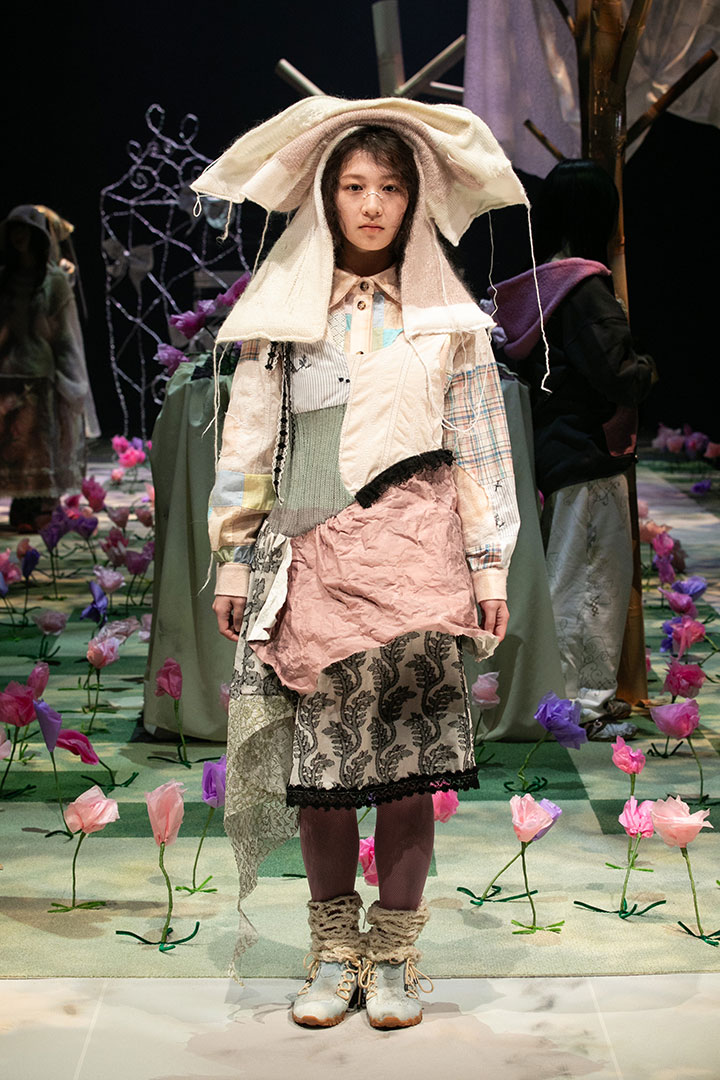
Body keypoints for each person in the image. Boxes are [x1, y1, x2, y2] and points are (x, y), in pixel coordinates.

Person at [193, 98, 526, 1028]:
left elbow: (479, 446)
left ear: (414, 200)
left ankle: (394, 957)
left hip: (419, 570)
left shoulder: (448, 319)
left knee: (407, 772)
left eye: (389, 188)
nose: (371, 204)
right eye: (352, 186)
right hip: (311, 567)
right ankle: (334, 952)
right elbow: (250, 439)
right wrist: (234, 559)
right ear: (326, 198)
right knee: (323, 775)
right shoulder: (286, 316)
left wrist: (488, 568)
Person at [492, 159, 656, 736]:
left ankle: (574, 699)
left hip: (558, 450)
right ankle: (580, 706)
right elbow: (618, 375)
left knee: (571, 573)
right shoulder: (584, 288)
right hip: (586, 455)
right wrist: (647, 368)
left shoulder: (544, 284)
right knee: (589, 581)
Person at [0, 205, 94, 531]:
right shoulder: (5, 278)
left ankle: (39, 507)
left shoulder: (54, 280)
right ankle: (22, 506)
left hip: (40, 376)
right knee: (13, 445)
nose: (19, 236)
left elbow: (65, 335)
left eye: (25, 229)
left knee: (38, 444)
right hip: (7, 374)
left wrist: (72, 379)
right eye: (14, 229)